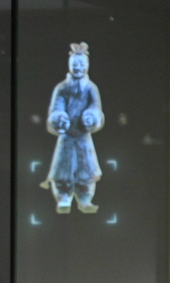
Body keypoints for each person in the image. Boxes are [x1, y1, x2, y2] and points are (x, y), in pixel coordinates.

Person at [39, 42, 103, 214]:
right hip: (66, 136)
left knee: (86, 171)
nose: (78, 67)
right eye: (75, 64)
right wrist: (60, 118)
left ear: (87, 66)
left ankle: (85, 198)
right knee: (63, 171)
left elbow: (96, 107)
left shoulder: (91, 88)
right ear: (70, 65)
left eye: (81, 64)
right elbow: (56, 108)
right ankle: (64, 197)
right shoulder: (62, 88)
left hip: (83, 136)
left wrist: (91, 117)